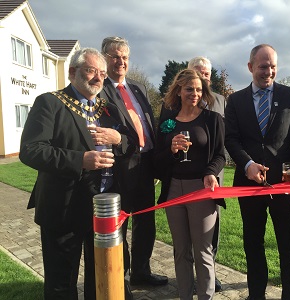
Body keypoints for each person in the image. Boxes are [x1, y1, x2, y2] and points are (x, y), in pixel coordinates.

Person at [19, 48, 123, 299]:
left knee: (99, 276)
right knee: (61, 283)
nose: (98, 78)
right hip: (63, 207)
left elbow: (128, 143)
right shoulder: (50, 102)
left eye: (101, 72)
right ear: (73, 72)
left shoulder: (106, 108)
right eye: (91, 71)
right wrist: (80, 160)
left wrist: (119, 138)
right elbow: (31, 150)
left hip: (101, 207)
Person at [224, 44, 290, 300]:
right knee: (253, 244)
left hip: (283, 186)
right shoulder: (236, 100)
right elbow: (231, 139)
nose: (269, 71)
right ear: (250, 67)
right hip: (249, 185)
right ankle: (256, 295)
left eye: (273, 66)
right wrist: (248, 164)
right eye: (263, 66)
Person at [98, 36, 168, 286]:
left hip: (146, 164)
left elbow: (148, 124)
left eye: (125, 57)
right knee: (121, 223)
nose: (121, 61)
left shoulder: (138, 88)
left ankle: (141, 271)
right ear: (105, 58)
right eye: (115, 56)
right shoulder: (101, 89)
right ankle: (122, 279)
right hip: (120, 166)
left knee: (146, 221)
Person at [154, 69, 225, 300]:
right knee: (180, 250)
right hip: (174, 189)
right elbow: (157, 160)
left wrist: (211, 173)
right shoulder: (167, 123)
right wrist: (172, 150)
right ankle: (185, 295)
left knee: (202, 250)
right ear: (178, 90)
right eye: (189, 89)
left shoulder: (212, 120)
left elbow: (220, 156)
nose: (194, 94)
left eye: (198, 89)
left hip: (201, 190)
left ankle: (206, 296)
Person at [188, 56, 225, 292]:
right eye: (199, 73)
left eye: (207, 74)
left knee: (212, 229)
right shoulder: (178, 101)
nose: (204, 77)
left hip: (214, 177)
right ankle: (191, 275)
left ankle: (210, 272)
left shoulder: (221, 101)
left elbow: (225, 138)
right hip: (187, 177)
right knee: (187, 230)